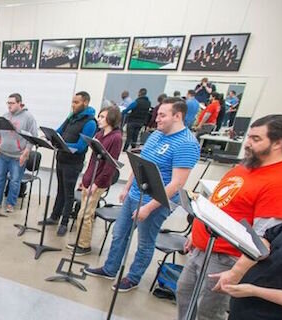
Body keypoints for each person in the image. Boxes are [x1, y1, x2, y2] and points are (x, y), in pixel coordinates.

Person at [149, 115, 282, 320]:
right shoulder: (246, 167)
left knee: (209, 308)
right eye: (249, 136)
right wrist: (195, 234)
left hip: (227, 257)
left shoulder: (280, 183)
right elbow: (217, 203)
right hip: (204, 246)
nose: (248, 143)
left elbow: (263, 240)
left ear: (278, 143)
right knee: (184, 291)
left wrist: (235, 273)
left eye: (256, 139)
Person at [85, 98, 200, 292]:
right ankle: (110, 268)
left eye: (162, 115)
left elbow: (177, 183)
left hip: (156, 203)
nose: (157, 119)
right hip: (134, 195)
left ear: (178, 116)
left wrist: (148, 207)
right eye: (158, 114)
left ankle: (133, 278)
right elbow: (140, 162)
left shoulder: (187, 143)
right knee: (119, 233)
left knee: (145, 242)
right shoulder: (156, 135)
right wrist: (127, 187)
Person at [68, 106, 122, 255]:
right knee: (83, 213)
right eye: (99, 116)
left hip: (98, 182)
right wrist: (85, 178)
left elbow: (110, 165)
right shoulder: (99, 134)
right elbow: (93, 160)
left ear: (111, 118)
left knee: (85, 214)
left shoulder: (116, 138)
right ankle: (80, 240)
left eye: (102, 117)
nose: (99, 119)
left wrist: (96, 183)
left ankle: (84, 245)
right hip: (89, 178)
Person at [44, 91, 97, 236]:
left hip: (73, 164)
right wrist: (50, 136)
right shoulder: (72, 117)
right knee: (60, 190)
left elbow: (81, 146)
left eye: (76, 102)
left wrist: (62, 144)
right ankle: (55, 216)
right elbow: (59, 131)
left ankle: (64, 222)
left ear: (85, 103)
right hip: (61, 159)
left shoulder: (90, 123)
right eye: (72, 102)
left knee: (68, 194)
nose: (73, 105)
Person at [0, 93, 38, 213]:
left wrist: (25, 153)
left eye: (11, 103)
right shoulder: (4, 116)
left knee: (15, 181)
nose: (9, 106)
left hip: (17, 156)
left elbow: (33, 137)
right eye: (8, 103)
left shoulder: (28, 117)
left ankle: (10, 204)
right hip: (3, 154)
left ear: (19, 103)